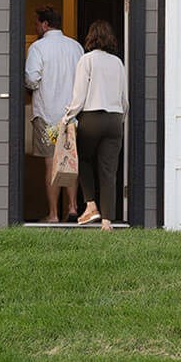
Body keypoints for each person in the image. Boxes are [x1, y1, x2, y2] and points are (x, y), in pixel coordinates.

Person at [64, 18, 128, 231]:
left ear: (91, 37)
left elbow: (79, 95)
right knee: (109, 171)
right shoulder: (118, 62)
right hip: (114, 119)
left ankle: (91, 205)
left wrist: (67, 118)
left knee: (82, 159)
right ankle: (107, 222)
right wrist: (121, 120)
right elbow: (124, 98)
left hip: (91, 117)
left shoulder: (87, 60)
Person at [24, 6, 84, 223]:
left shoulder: (38, 48)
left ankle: (53, 214)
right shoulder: (76, 47)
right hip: (71, 116)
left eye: (36, 23)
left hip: (47, 114)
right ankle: (73, 207)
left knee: (51, 163)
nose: (35, 27)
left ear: (45, 24)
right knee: (69, 160)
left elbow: (31, 78)